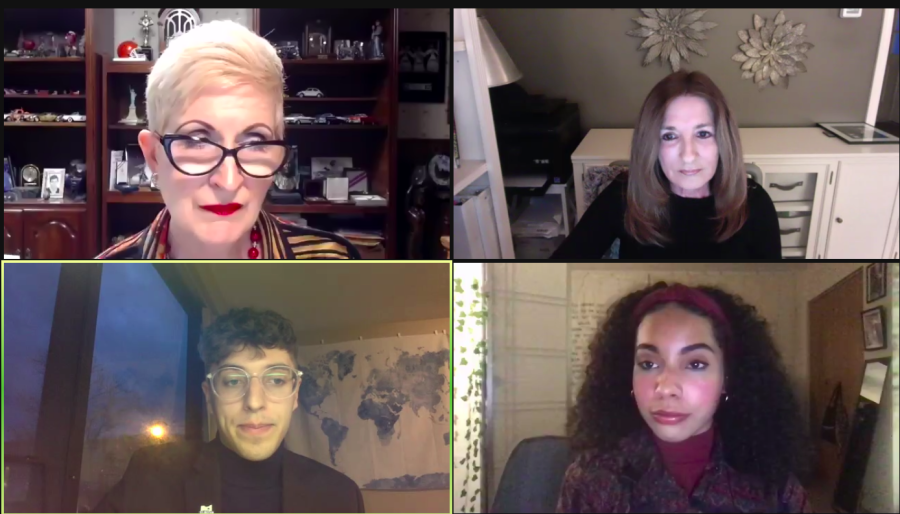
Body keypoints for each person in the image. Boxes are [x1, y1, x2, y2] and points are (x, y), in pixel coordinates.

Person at [96, 21, 359, 259]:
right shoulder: (102, 282)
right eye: (197, 140)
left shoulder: (334, 266)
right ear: (154, 155)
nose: (229, 181)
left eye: (255, 142)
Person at [557, 283, 813, 512]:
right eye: (648, 363)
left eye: (696, 364)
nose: (666, 387)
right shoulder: (592, 480)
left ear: (726, 378)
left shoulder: (773, 484)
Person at [92, 308, 364, 513]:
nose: (254, 402)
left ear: (295, 394)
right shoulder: (152, 475)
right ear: (210, 397)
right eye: (234, 381)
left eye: (276, 380)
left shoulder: (340, 496)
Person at [551, 71, 781, 259]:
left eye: (703, 133)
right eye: (670, 136)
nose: (688, 155)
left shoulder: (756, 205)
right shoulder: (623, 196)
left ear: (723, 140)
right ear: (651, 144)